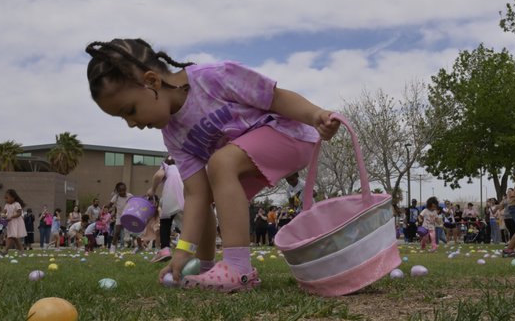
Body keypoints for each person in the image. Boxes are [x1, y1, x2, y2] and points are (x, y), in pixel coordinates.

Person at [85, 37, 338, 291]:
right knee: (201, 188)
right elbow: (197, 195)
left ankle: (239, 269)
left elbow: (276, 98)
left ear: (152, 81)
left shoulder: (213, 78)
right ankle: (207, 268)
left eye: (130, 110)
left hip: (292, 134)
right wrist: (183, 251)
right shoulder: (174, 136)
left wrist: (315, 115)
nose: (131, 123)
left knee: (220, 163)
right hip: (250, 157)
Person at [149, 156, 185, 258]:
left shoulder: (166, 167)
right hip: (184, 195)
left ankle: (165, 250)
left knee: (165, 223)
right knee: (186, 225)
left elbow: (159, 175)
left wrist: (153, 189)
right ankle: (189, 249)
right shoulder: (181, 167)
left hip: (171, 196)